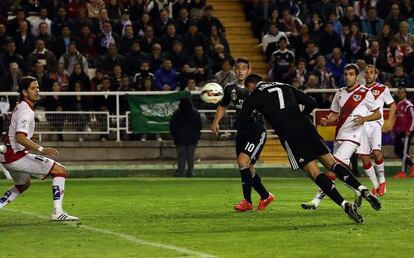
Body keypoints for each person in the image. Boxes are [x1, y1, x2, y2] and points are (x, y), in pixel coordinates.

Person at [240, 72, 381, 224]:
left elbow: (243, 117)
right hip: (305, 124)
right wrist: (298, 115)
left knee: (314, 172)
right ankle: (362, 189)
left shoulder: (255, 94)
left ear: (252, 86)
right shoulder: (285, 85)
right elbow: (312, 102)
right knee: (331, 163)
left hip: (289, 132)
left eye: (249, 90)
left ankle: (344, 204)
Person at [300, 64, 382, 212]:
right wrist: (327, 120)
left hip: (354, 137)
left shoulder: (365, 92)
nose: (347, 77)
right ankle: (359, 191)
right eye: (345, 74)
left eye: (351, 74)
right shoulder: (339, 93)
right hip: (339, 136)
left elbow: (378, 114)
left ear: (356, 76)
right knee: (340, 170)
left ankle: (316, 200)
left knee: (333, 168)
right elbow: (335, 114)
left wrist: (364, 119)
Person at [0, 76, 78, 221]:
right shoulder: (26, 112)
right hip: (16, 156)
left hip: (7, 156)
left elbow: (17, 134)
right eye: (33, 88)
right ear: (24, 91)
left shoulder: (20, 106)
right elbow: (20, 137)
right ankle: (57, 212)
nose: (37, 90)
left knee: (24, 184)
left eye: (37, 87)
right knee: (60, 171)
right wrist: (41, 149)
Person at [211, 58, 274, 212]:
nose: (240, 71)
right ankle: (266, 196)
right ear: (234, 70)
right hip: (242, 132)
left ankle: (247, 201)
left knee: (242, 161)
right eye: (238, 68)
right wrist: (215, 121)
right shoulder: (230, 88)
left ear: (249, 70)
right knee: (247, 167)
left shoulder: (257, 88)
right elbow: (223, 105)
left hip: (256, 131)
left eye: (244, 68)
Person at [356, 65, 396, 196]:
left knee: (377, 153)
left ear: (375, 75)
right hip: (362, 125)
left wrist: (390, 121)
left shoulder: (382, 88)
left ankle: (383, 181)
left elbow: (393, 105)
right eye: (366, 73)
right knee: (364, 157)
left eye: (371, 72)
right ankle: (376, 185)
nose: (368, 75)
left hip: (375, 123)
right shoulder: (359, 89)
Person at [169, 98, 202, 177]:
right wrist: (197, 136)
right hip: (192, 138)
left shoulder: (176, 113)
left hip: (180, 138)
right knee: (191, 156)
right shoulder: (195, 113)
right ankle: (190, 172)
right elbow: (199, 126)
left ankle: (180, 172)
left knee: (181, 156)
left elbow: (172, 126)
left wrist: (174, 136)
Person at [392, 87, 414, 178]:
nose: (400, 94)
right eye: (399, 93)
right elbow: (397, 119)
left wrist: (409, 130)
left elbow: (413, 118)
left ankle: (403, 172)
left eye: (402, 93)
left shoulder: (408, 105)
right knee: (397, 151)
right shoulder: (398, 104)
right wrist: (394, 129)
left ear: (405, 94)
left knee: (404, 152)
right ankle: (412, 166)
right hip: (399, 131)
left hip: (406, 132)